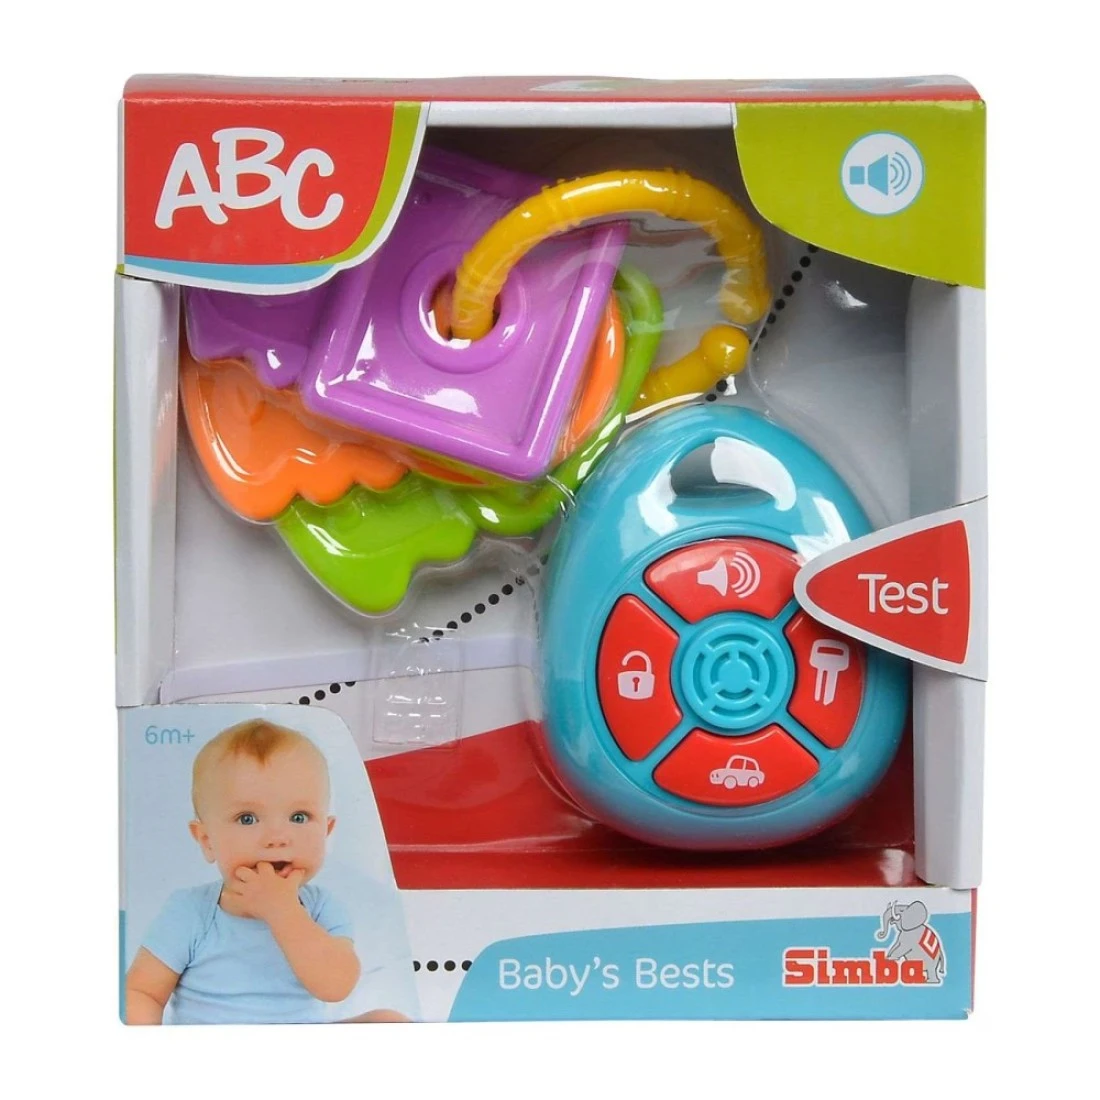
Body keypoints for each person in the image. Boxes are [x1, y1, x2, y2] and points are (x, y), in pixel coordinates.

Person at [125, 718, 404, 1023]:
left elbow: (336, 986)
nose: (277, 837)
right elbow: (142, 991)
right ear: (207, 840)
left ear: (326, 832)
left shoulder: (321, 909)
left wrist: (282, 911)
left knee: (387, 1021)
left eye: (299, 817)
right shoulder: (192, 911)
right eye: (247, 818)